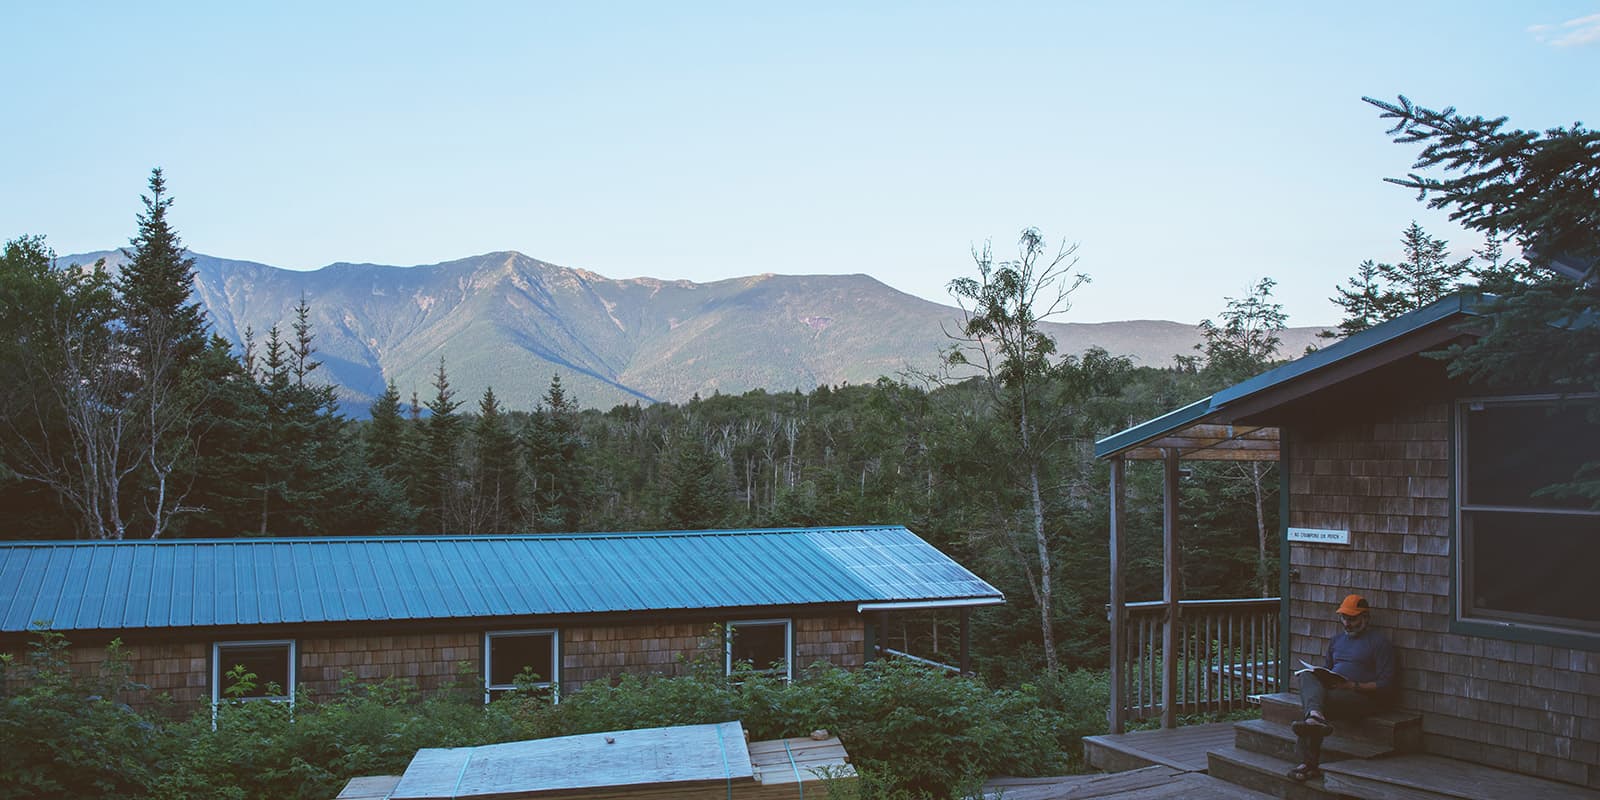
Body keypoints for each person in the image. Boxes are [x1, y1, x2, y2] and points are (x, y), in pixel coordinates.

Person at [1287, 593, 1397, 782]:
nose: (1347, 623)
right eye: (1344, 618)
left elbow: (1386, 684)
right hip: (1336, 691)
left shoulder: (1379, 643)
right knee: (1306, 676)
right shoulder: (1337, 640)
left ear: (1365, 618)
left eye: (1353, 619)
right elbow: (1327, 670)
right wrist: (1324, 677)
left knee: (1319, 705)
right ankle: (1314, 717)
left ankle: (1308, 761)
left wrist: (1352, 685)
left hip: (1363, 698)